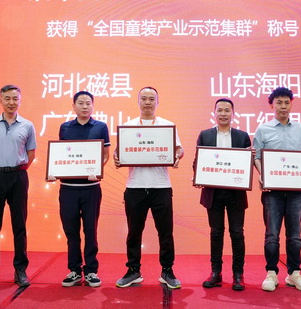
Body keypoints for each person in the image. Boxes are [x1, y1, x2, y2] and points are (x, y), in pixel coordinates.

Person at [113, 86, 184, 289]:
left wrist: (177, 155)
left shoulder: (167, 125)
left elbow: (179, 149)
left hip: (161, 186)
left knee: (165, 232)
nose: (147, 102)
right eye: (143, 98)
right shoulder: (128, 126)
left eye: (151, 99)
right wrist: (117, 157)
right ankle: (133, 270)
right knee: (134, 232)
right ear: (138, 101)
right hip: (135, 187)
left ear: (157, 102)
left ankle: (167, 271)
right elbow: (119, 152)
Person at [47, 91, 110, 288]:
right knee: (71, 232)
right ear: (73, 106)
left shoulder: (101, 127)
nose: (84, 106)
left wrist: (97, 169)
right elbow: (61, 156)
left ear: (93, 106)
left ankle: (91, 271)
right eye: (80, 103)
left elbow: (105, 154)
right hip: (68, 189)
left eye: (88, 103)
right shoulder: (65, 127)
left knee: (91, 231)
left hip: (91, 188)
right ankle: (74, 270)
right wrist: (54, 171)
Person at [253, 87, 301, 292]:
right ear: (272, 105)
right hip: (272, 192)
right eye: (279, 102)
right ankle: (271, 273)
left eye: (287, 102)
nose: (283, 106)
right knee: (272, 234)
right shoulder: (263, 129)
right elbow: (257, 157)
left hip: (295, 192)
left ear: (291, 105)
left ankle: (294, 273)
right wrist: (263, 174)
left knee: (295, 235)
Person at [0, 85, 37, 288]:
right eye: (7, 98)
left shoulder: (27, 125)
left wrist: (17, 169)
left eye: (15, 98)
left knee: (19, 225)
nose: (12, 102)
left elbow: (31, 154)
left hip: (18, 176)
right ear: (1, 100)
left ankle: (20, 270)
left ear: (20, 100)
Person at [193, 98, 251, 291]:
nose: (223, 113)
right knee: (216, 233)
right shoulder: (205, 135)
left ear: (233, 114)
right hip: (213, 193)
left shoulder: (243, 137)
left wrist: (249, 158)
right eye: (220, 110)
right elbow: (197, 162)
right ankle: (216, 272)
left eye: (227, 110)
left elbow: (247, 166)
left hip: (236, 194)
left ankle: (238, 274)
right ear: (214, 113)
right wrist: (198, 175)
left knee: (237, 233)